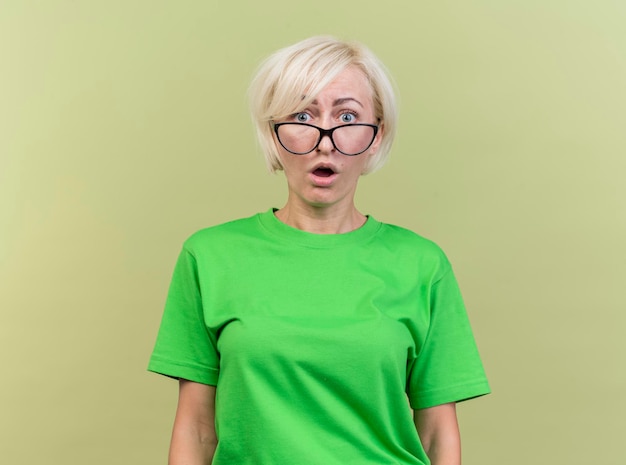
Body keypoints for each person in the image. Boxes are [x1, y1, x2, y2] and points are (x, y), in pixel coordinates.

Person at [148, 36, 490, 465]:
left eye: (347, 116)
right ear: (273, 136)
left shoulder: (423, 264)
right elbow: (196, 431)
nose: (324, 140)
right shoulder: (209, 256)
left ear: (376, 138)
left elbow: (439, 435)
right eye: (302, 114)